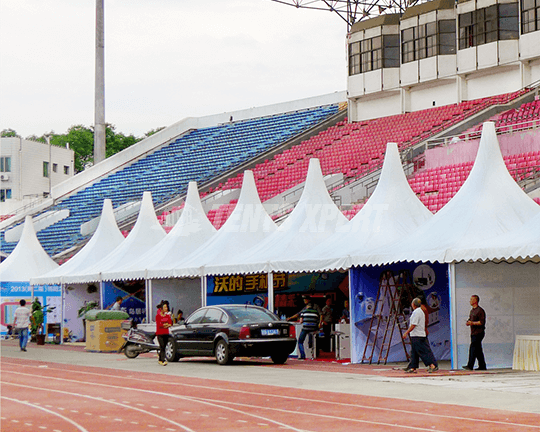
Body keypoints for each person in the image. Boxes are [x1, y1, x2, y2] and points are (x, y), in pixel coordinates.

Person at [402, 297, 438, 373]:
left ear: (413, 304)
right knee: (414, 352)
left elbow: (413, 324)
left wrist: (406, 332)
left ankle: (432, 365)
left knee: (423, 351)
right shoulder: (419, 311)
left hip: (418, 335)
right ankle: (412, 367)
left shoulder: (417, 312)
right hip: (417, 334)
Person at [463, 294, 487, 371]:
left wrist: (472, 323)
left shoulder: (480, 311)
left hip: (478, 333)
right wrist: (468, 322)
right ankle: (482, 366)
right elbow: (470, 319)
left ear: (475, 301)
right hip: (473, 332)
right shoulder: (472, 311)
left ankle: (470, 365)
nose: (470, 301)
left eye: (471, 299)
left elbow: (481, 322)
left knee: (473, 348)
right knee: (478, 350)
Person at [155, 300, 173, 366]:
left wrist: (166, 325)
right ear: (161, 308)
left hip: (166, 333)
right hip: (160, 334)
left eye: (166, 307)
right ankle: (163, 360)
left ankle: (160, 359)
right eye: (165, 307)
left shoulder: (167, 316)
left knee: (164, 347)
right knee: (162, 346)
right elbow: (160, 325)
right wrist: (166, 325)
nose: (166, 308)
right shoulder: (158, 316)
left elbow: (170, 323)